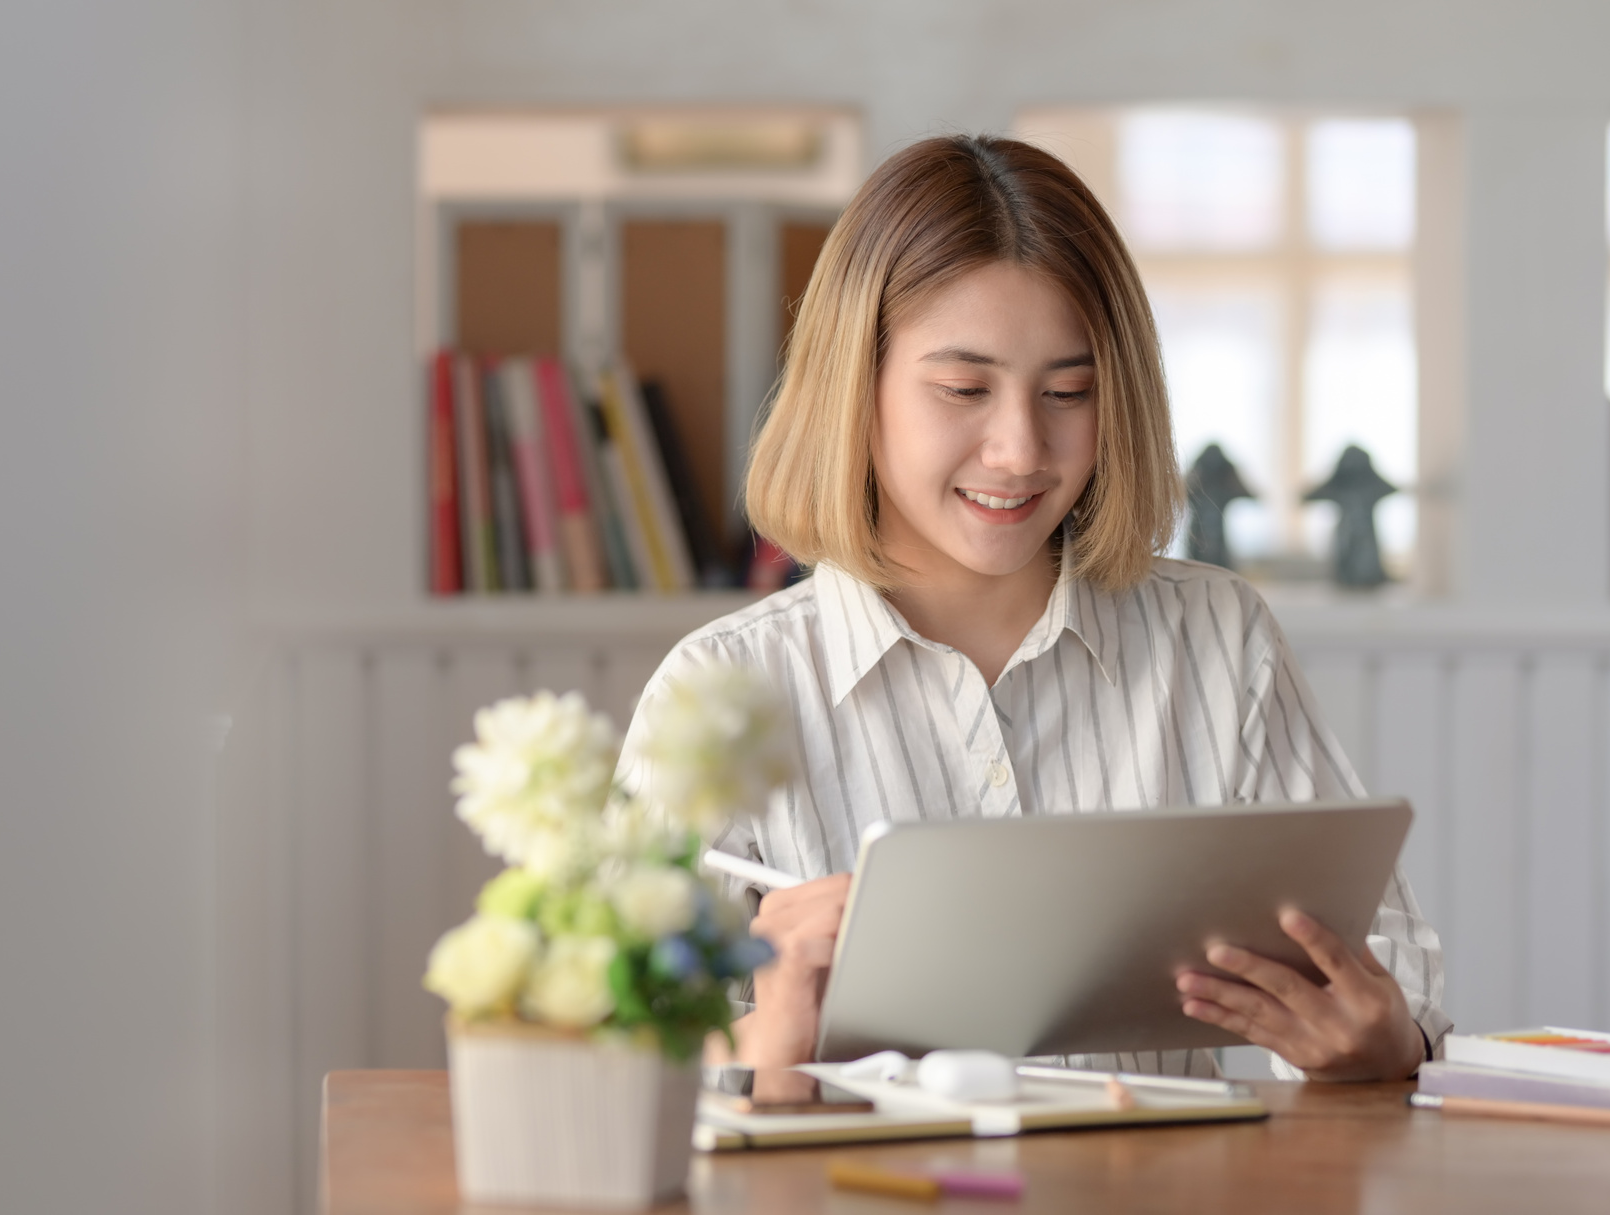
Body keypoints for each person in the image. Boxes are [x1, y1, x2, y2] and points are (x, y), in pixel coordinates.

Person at [616, 135, 1447, 1082]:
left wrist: (1383, 1040)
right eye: (964, 389)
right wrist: (753, 1038)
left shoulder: (1219, 639)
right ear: (857, 390)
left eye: (1068, 391)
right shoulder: (723, 691)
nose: (1020, 449)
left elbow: (1397, 971)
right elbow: (610, 1039)